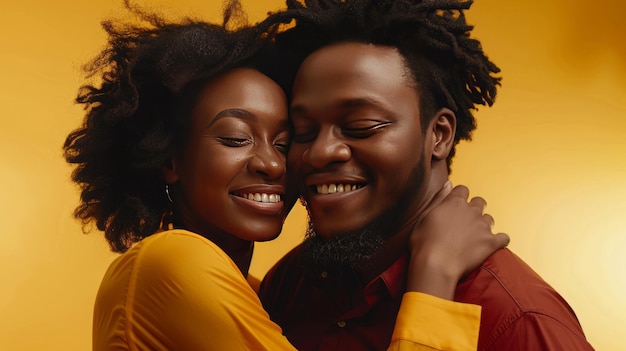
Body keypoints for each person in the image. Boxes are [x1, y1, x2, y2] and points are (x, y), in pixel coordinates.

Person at [62, 1, 508, 350]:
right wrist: (434, 273)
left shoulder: (265, 294)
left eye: (284, 141)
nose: (273, 165)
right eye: (236, 138)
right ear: (170, 160)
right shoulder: (173, 264)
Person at [258, 0, 595, 350]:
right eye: (302, 131)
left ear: (439, 135)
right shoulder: (292, 284)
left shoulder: (519, 321)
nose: (320, 151)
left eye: (361, 126)